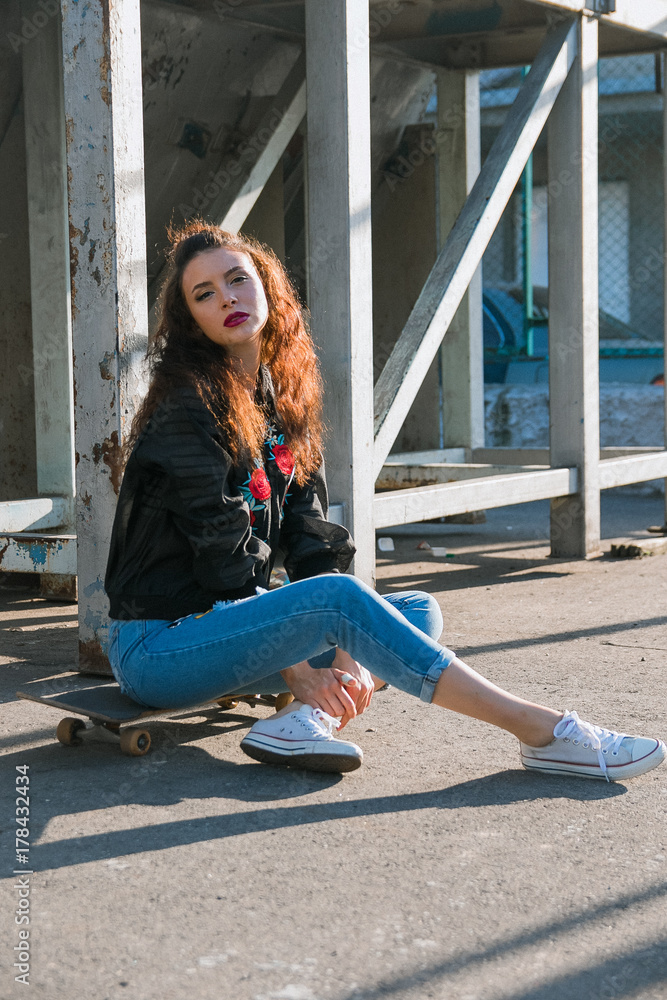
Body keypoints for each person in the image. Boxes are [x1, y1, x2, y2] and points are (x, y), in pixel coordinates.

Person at [105, 221, 665, 782]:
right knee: (347, 604)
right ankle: (541, 731)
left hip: (231, 636)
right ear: (192, 322)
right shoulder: (188, 408)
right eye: (204, 294)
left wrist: (344, 657)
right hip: (160, 647)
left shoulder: (277, 399)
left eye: (237, 279)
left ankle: (304, 723)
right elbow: (224, 562)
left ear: (267, 287)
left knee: (417, 611)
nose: (227, 298)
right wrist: (299, 672)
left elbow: (312, 538)